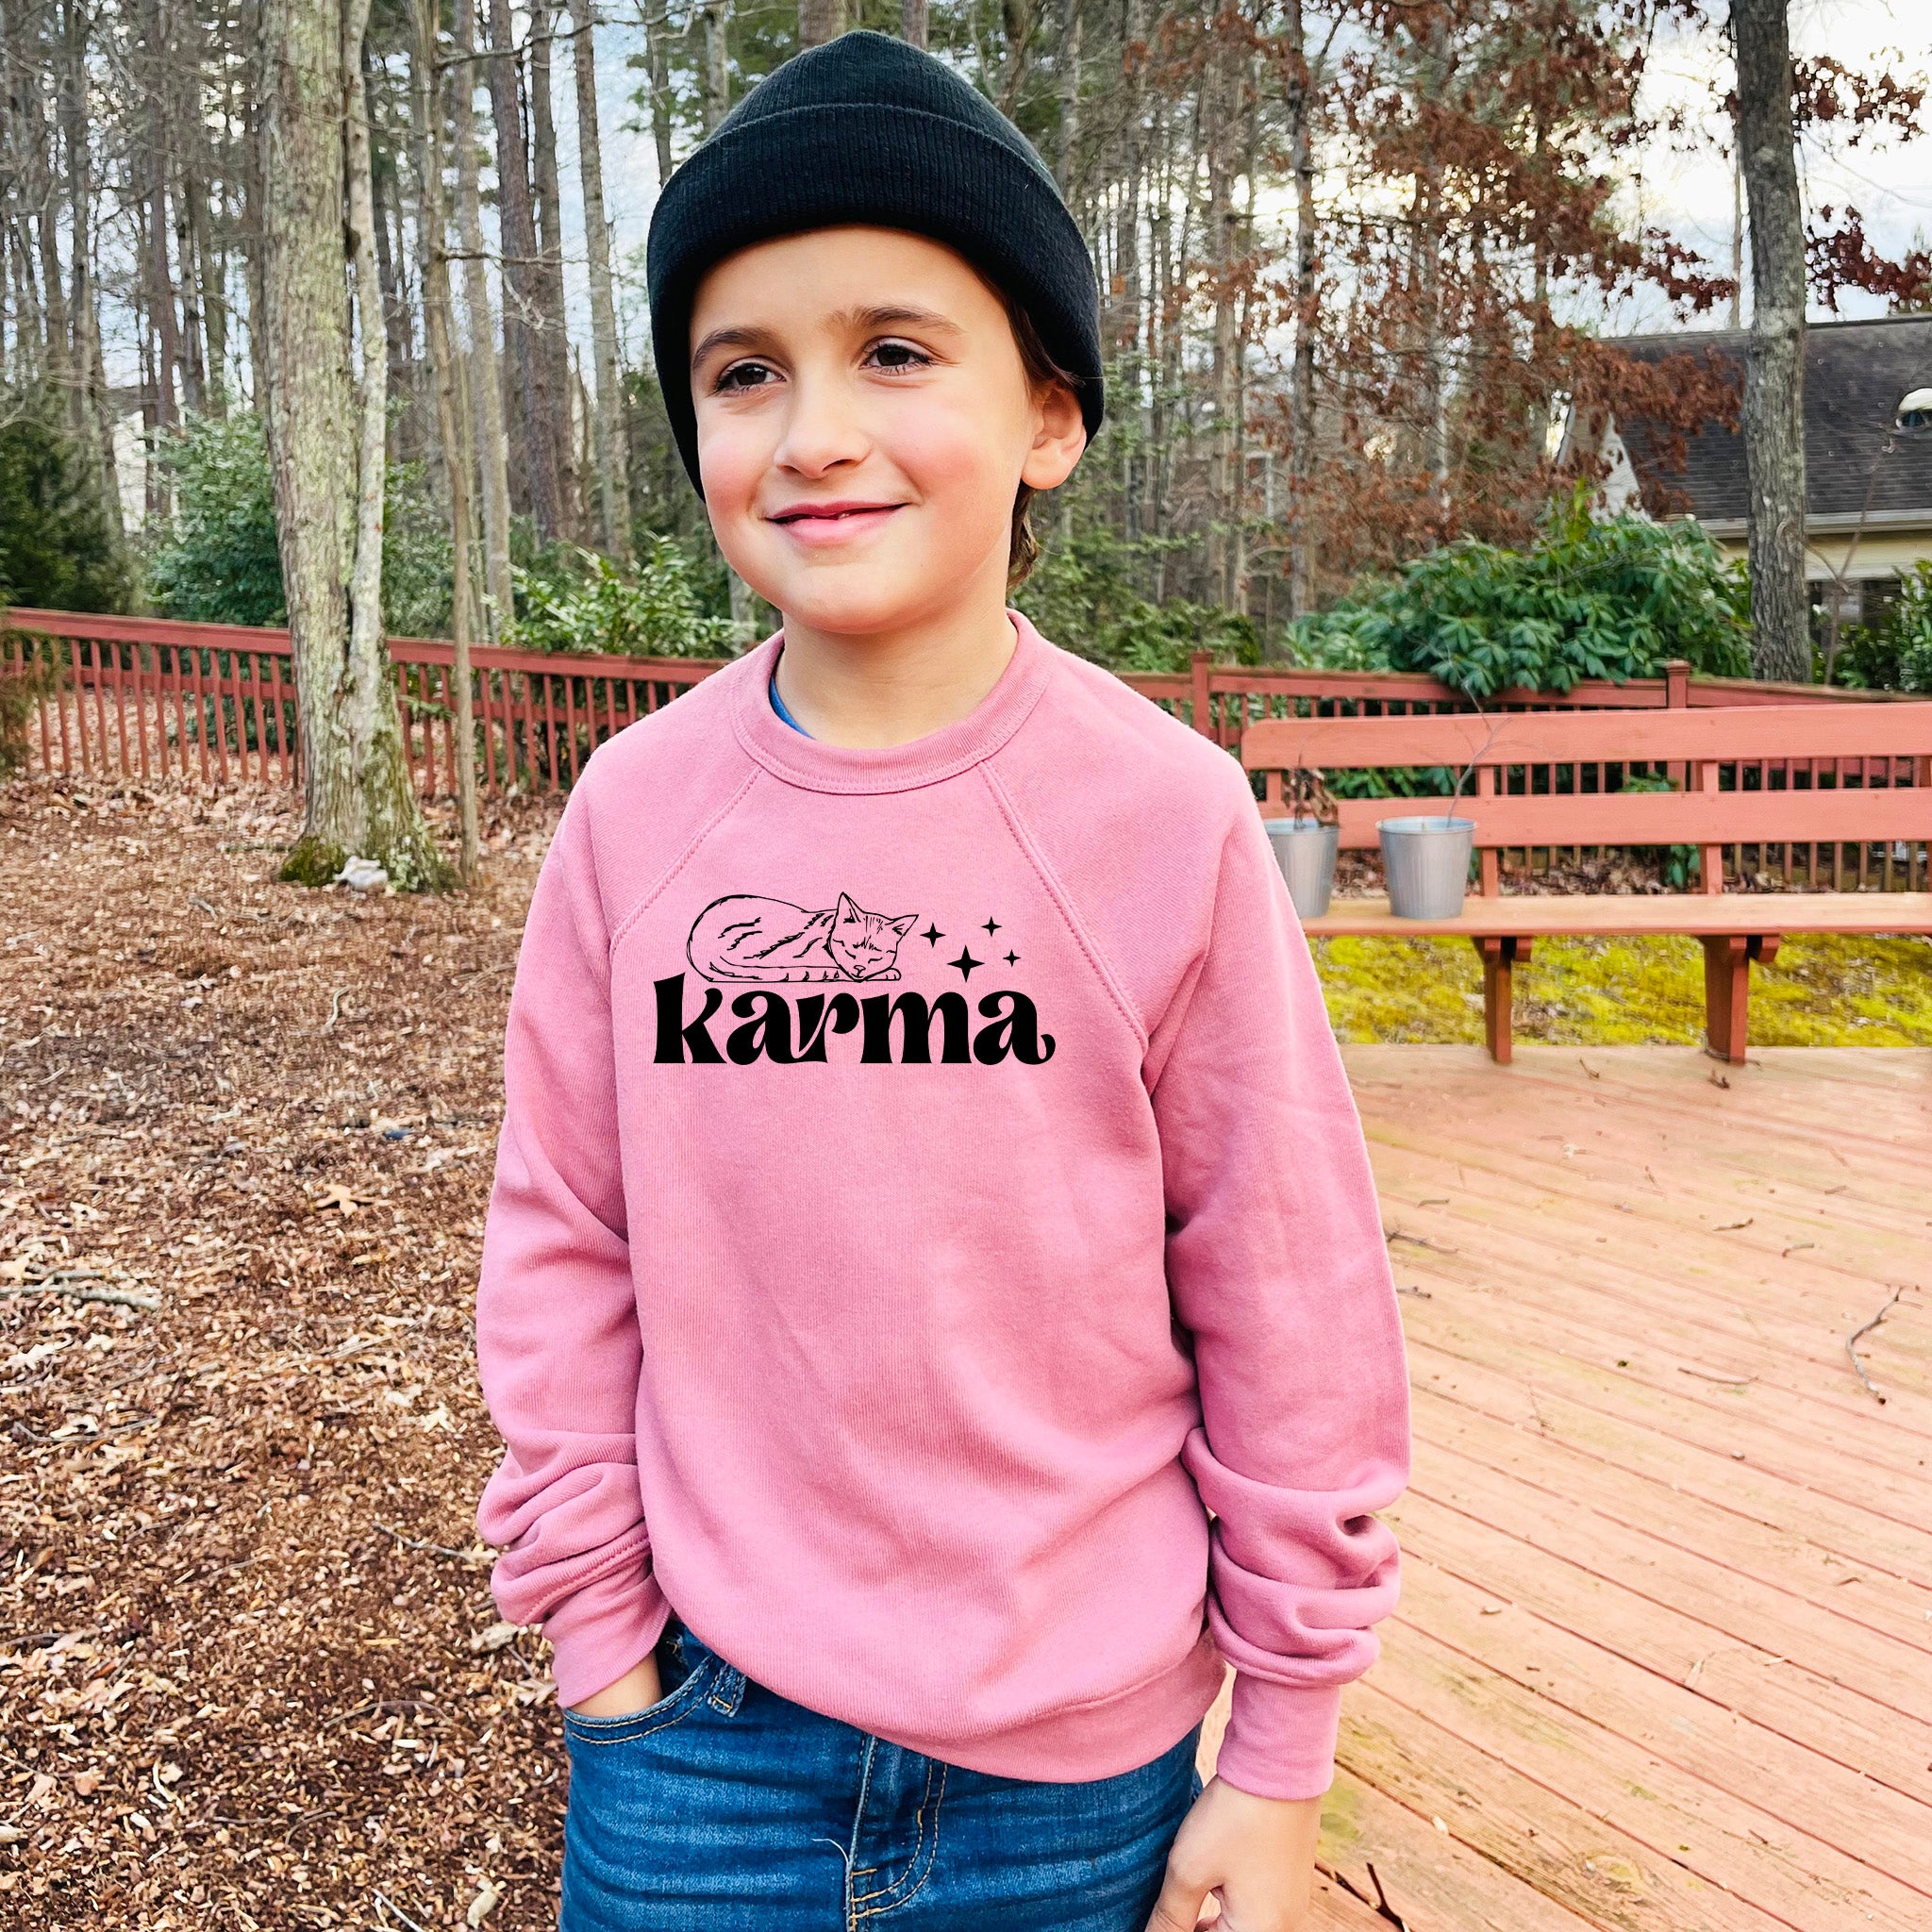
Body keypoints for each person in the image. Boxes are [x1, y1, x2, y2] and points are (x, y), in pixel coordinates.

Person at [473, 31, 1409, 1932]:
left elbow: (1286, 1283)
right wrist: (601, 1643)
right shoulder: (634, 815)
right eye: (745, 372)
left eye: (895, 351)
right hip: (700, 1749)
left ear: (1050, 417)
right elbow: (561, 1238)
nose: (814, 427)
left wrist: (1281, 1750)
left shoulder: (1162, 817)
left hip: (1081, 1773)